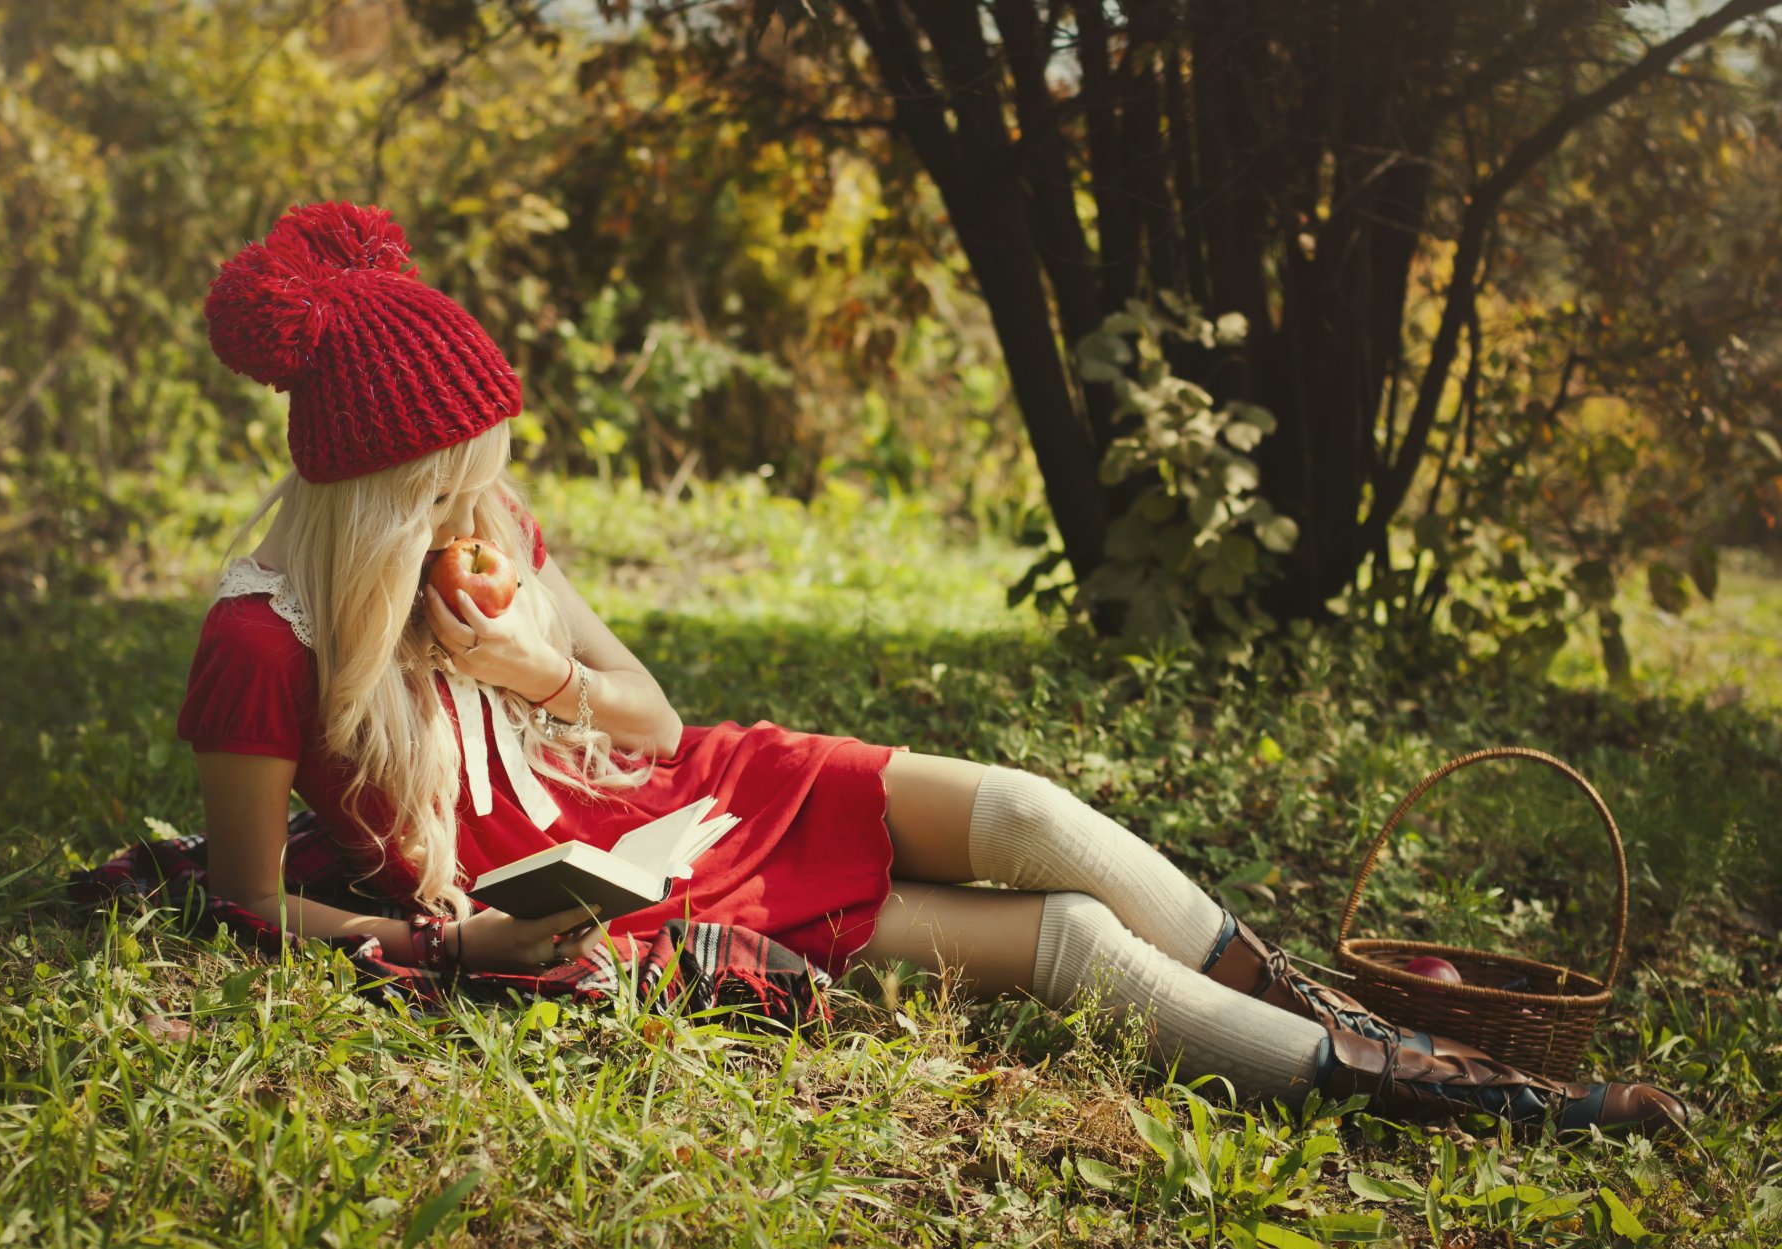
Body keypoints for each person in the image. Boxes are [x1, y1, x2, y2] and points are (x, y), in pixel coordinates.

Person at [177, 200, 1689, 1138]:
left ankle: (1367, 1033)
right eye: (453, 473)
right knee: (1073, 948)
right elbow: (251, 904)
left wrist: (533, 664)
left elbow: (655, 718)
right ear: (381, 492)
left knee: (1028, 811)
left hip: (688, 791)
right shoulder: (265, 644)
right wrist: (455, 950)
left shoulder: (491, 533)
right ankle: (1458, 1096)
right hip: (607, 882)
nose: (487, 495)